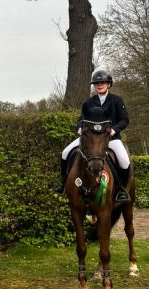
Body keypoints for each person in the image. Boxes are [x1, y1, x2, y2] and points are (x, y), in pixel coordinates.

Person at [55, 69, 131, 202]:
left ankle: (121, 189)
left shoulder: (117, 101)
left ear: (108, 84)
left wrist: (114, 130)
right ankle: (63, 184)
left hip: (111, 138)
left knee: (124, 160)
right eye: (96, 83)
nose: (99, 85)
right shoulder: (89, 102)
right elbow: (81, 119)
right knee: (65, 152)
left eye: (102, 82)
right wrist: (80, 127)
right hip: (90, 140)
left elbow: (124, 120)